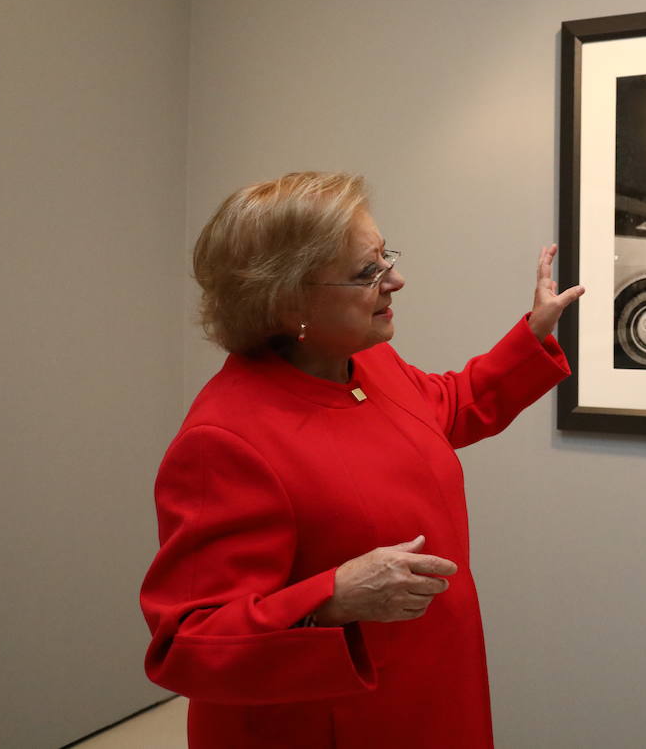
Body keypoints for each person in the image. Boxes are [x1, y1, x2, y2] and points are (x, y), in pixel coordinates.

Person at [139, 172, 583, 748]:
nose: (396, 280)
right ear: (287, 298)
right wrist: (331, 596)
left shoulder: (367, 367)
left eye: (385, 257)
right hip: (332, 724)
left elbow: (450, 405)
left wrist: (531, 335)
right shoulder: (224, 440)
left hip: (430, 692)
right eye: (367, 272)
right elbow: (186, 645)